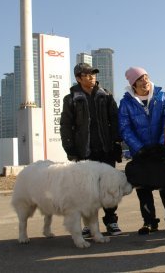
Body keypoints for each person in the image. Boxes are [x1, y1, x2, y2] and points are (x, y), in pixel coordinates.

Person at [118, 67, 165, 235]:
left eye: (146, 77)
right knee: (143, 188)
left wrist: (162, 142)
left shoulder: (160, 97)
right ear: (133, 84)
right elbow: (125, 128)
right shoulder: (126, 103)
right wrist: (139, 147)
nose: (145, 81)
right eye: (140, 79)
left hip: (161, 148)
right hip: (140, 152)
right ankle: (149, 222)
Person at [60, 62, 123, 236]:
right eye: (87, 75)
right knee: (87, 189)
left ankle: (111, 221)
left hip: (106, 149)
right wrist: (70, 148)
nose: (92, 77)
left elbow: (115, 120)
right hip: (84, 151)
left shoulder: (106, 95)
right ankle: (89, 224)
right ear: (78, 78)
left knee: (110, 186)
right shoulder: (71, 99)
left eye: (93, 74)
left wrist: (117, 142)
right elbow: (66, 125)